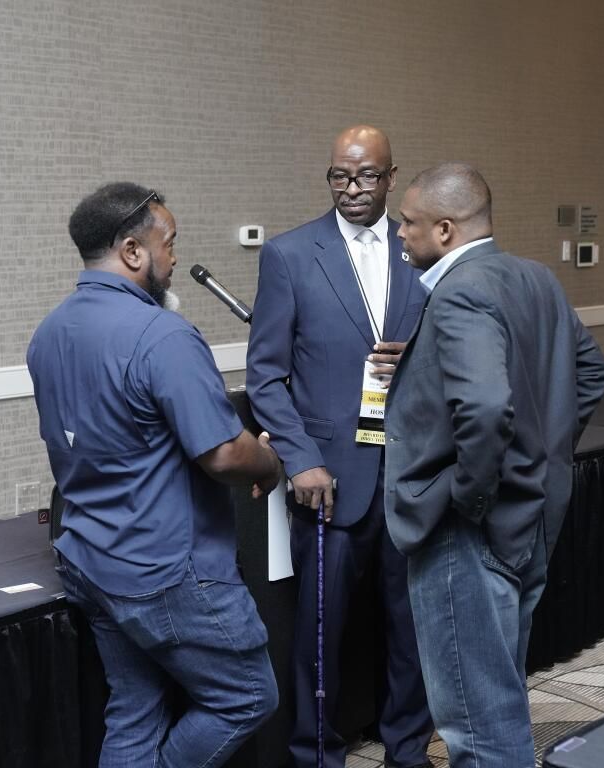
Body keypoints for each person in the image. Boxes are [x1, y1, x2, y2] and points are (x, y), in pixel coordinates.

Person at [27, 182, 281, 768]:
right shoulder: (162, 334)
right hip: (165, 571)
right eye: (168, 243)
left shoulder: (49, 333)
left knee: (135, 710)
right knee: (247, 697)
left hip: (91, 559)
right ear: (133, 251)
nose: (173, 256)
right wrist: (269, 462)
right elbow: (224, 454)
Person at [384, 162, 604, 768]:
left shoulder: (459, 290)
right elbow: (591, 374)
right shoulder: (535, 277)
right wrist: (541, 454)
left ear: (445, 229)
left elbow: (485, 408)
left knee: (479, 727)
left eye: (407, 222)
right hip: (531, 518)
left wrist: (471, 494)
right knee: (498, 695)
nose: (399, 232)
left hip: (469, 533)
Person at [246, 126, 434, 768]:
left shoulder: (420, 251)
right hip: (328, 480)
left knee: (410, 629)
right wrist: (300, 459)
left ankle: (407, 750)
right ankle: (316, 754)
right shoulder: (290, 255)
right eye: (339, 176)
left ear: (391, 177)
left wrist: (417, 360)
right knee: (319, 635)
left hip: (410, 473)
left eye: (367, 176)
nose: (352, 188)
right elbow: (265, 376)